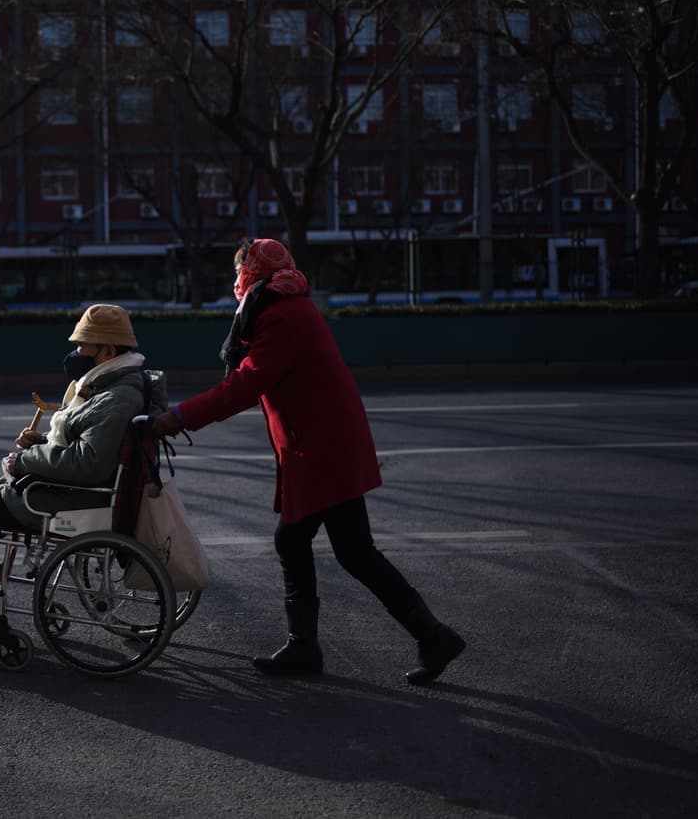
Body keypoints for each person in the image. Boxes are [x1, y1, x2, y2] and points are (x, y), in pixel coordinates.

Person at [151, 238, 466, 684]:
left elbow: (245, 385)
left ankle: (317, 646)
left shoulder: (279, 315)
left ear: (253, 273)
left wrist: (178, 417)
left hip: (320, 449)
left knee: (313, 545)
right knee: (348, 550)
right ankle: (424, 637)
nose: (236, 281)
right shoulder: (283, 305)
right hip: (322, 444)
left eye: (240, 271)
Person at [0, 304, 151, 644]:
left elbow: (87, 463)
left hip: (73, 502)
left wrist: (26, 460)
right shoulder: (111, 387)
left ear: (108, 350)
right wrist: (40, 444)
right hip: (71, 491)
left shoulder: (115, 397)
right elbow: (83, 450)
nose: (76, 353)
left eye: (83, 346)